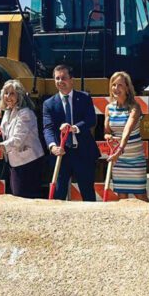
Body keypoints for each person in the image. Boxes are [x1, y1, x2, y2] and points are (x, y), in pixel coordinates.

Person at [42, 64, 98, 201]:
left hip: (83, 152)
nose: (60, 81)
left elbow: (91, 120)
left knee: (88, 193)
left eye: (63, 78)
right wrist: (52, 146)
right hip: (62, 154)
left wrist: (74, 128)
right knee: (59, 194)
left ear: (72, 79)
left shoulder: (84, 98)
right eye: (57, 78)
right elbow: (47, 128)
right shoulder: (49, 104)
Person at [0, 79, 44, 199]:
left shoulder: (25, 113)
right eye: (6, 93)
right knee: (17, 196)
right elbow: (9, 129)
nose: (8, 97)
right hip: (15, 161)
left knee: (23, 197)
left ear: (19, 96)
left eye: (12, 93)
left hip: (28, 162)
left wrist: (0, 146)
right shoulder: (8, 111)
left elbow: (17, 139)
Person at [104, 71, 148, 201]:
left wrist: (120, 149)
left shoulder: (135, 107)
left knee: (141, 196)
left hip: (134, 157)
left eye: (120, 85)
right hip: (118, 160)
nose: (116, 89)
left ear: (127, 88)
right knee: (122, 197)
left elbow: (127, 131)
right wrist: (108, 137)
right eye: (114, 85)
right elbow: (107, 132)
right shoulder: (109, 108)